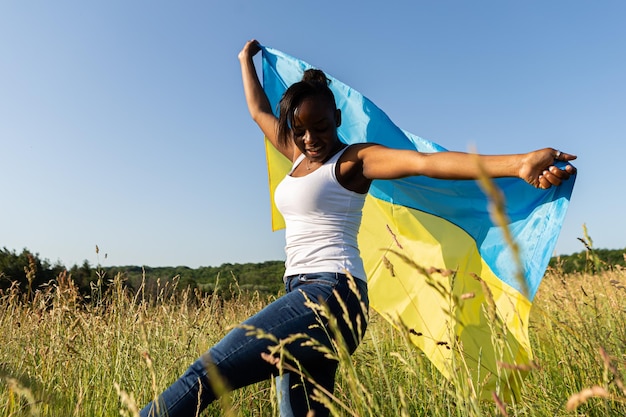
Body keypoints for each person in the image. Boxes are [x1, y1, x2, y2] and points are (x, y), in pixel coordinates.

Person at [139, 39, 577, 417]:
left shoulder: (352, 160)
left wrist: (517, 164)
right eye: (301, 129)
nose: (312, 138)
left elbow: (426, 164)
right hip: (303, 294)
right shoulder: (296, 154)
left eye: (321, 127)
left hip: (330, 293)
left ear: (337, 119)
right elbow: (257, 111)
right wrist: (244, 60)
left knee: (207, 373)